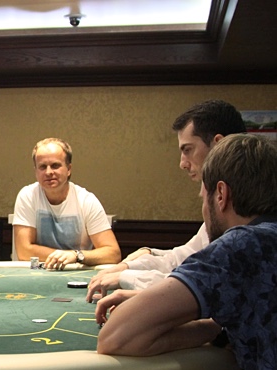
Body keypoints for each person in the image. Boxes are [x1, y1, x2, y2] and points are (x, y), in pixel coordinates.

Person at [96, 133, 277, 370]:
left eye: (202, 195)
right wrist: (218, 326)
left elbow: (116, 337)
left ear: (221, 195)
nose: (202, 204)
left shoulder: (243, 246)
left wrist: (209, 327)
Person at [86, 100, 247, 301]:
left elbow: (203, 280)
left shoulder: (242, 204)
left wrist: (127, 278)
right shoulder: (223, 197)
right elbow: (188, 258)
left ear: (218, 144)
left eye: (188, 149)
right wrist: (131, 265)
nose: (182, 164)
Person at [12, 137, 120, 269]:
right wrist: (63, 256)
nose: (48, 172)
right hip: (38, 272)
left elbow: (113, 253)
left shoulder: (86, 200)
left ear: (69, 169)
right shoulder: (27, 196)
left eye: (55, 165)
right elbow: (24, 251)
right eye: (42, 167)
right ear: (36, 171)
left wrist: (76, 255)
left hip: (77, 273)